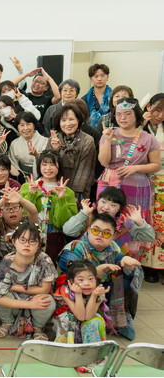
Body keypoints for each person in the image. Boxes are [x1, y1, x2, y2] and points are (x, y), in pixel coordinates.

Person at [58, 213, 143, 340]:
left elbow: (121, 260)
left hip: (98, 291)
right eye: (96, 230)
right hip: (73, 293)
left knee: (128, 273)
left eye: (106, 233)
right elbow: (73, 276)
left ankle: (115, 319)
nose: (100, 235)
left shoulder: (113, 247)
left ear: (113, 236)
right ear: (88, 230)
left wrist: (126, 262)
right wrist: (97, 272)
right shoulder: (74, 248)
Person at [98, 97, 161, 260]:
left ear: (136, 115)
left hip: (137, 187)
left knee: (133, 220)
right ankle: (104, 258)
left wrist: (135, 168)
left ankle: (130, 264)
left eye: (127, 114)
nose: (122, 118)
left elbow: (156, 165)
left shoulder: (148, 138)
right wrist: (107, 140)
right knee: (108, 218)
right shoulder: (109, 134)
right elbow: (104, 162)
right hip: (110, 183)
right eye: (119, 114)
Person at [0, 223, 57, 341]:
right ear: (14, 242)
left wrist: (14, 287)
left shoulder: (44, 260)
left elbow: (45, 289)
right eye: (22, 240)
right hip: (16, 302)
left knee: (48, 301)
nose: (27, 244)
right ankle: (7, 322)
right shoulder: (8, 260)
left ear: (39, 244)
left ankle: (38, 327)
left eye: (32, 241)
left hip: (35, 299)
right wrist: (29, 304)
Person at [52, 260, 112, 372]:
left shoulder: (98, 291)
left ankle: (91, 358)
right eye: (81, 280)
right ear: (71, 281)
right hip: (68, 318)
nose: (87, 283)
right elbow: (79, 316)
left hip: (88, 318)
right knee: (69, 325)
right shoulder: (65, 290)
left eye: (91, 279)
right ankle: (77, 356)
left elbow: (87, 316)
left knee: (94, 322)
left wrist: (94, 296)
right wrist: (78, 294)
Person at [20, 151, 77, 264]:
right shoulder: (27, 186)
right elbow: (23, 214)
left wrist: (61, 199)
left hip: (55, 239)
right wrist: (32, 194)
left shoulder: (67, 192)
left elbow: (64, 223)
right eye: (44, 164)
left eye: (52, 164)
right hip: (30, 236)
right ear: (39, 167)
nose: (48, 168)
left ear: (59, 167)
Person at [47, 104, 97, 199]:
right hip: (54, 188)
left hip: (78, 191)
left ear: (78, 120)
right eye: (63, 120)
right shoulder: (53, 139)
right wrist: (55, 150)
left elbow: (85, 170)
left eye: (71, 119)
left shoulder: (87, 140)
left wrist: (75, 195)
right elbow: (47, 165)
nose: (68, 124)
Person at [0, 184, 39, 268]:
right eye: (7, 209)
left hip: (28, 263)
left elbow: (33, 211)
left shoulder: (28, 221)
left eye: (15, 207)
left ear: (22, 209)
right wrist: (3, 200)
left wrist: (21, 200)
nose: (12, 211)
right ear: (0, 212)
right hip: (4, 265)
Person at [141, 93, 164, 283]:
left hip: (163, 181)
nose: (160, 115)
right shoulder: (140, 126)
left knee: (161, 223)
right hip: (145, 180)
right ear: (149, 107)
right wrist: (141, 123)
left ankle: (160, 264)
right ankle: (147, 265)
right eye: (157, 110)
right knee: (147, 221)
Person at [9, 111, 48, 178]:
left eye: (28, 124)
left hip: (43, 175)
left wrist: (37, 155)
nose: (25, 128)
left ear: (34, 125)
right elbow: (13, 162)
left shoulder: (45, 141)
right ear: (17, 127)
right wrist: (20, 175)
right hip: (22, 177)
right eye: (22, 125)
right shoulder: (14, 143)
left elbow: (49, 160)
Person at [82, 63, 112, 128]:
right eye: (96, 76)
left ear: (107, 77)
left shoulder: (114, 97)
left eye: (102, 76)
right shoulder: (84, 99)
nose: (99, 79)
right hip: (90, 132)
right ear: (91, 79)